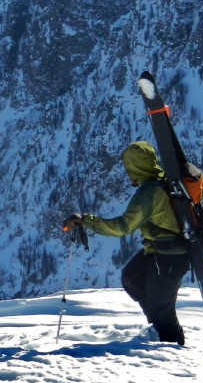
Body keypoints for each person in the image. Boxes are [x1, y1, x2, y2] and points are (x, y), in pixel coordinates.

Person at [62, 141, 190, 346]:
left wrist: (87, 220)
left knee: (162, 309)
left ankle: (172, 348)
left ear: (134, 166)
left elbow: (123, 226)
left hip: (168, 257)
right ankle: (157, 329)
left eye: (128, 166)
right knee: (132, 277)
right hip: (161, 251)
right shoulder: (162, 181)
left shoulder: (149, 193)